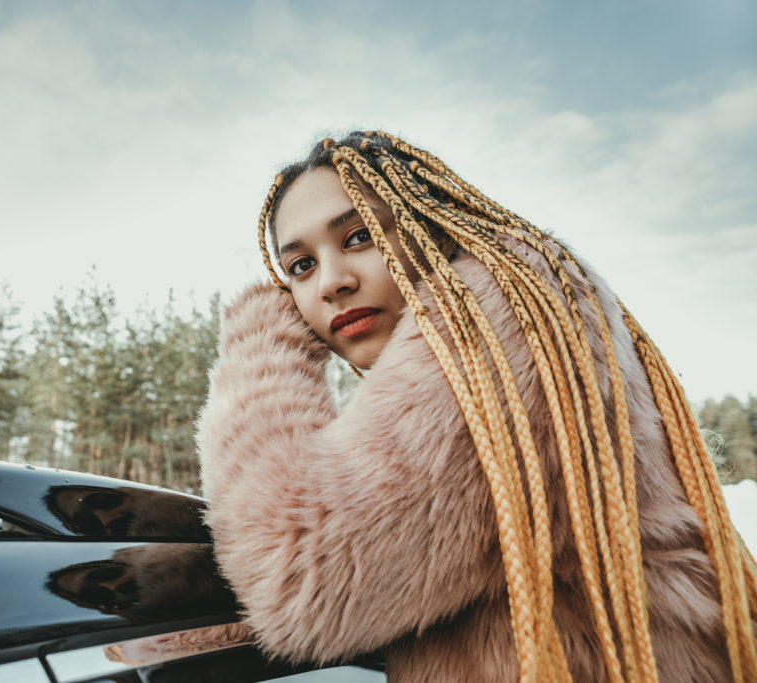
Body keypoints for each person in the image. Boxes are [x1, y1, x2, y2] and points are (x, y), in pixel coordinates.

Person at [195, 130, 757, 682]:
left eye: (360, 236)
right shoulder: (540, 310)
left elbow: (299, 580)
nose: (331, 283)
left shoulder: (493, 321)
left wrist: (262, 342)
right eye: (300, 268)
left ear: (433, 226)